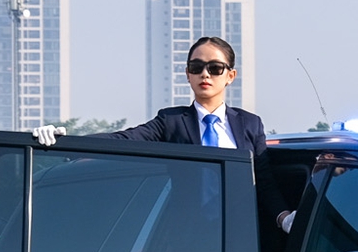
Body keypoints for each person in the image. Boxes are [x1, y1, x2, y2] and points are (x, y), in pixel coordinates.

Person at [33, 36, 291, 230]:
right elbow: (125, 140)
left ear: (230, 75)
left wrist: (285, 218)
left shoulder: (249, 124)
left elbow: (264, 183)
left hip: (241, 235)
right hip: (188, 237)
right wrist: (64, 141)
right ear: (187, 74)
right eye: (196, 67)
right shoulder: (172, 121)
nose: (205, 74)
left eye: (215, 68)